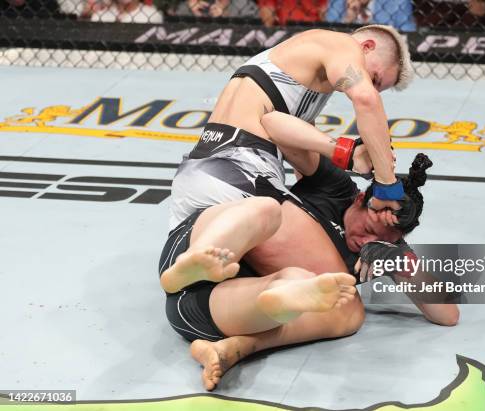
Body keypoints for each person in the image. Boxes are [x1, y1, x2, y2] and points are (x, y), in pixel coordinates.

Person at [160, 117, 458, 390]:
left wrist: (397, 260)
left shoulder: (386, 251)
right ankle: (187, 267)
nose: (367, 240)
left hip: (206, 312)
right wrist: (345, 152)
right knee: (263, 208)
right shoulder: (337, 188)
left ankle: (235, 346)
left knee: (333, 302)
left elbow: (447, 313)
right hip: (208, 244)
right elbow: (271, 123)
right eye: (368, 229)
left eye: (383, 238)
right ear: (359, 200)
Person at [167, 24, 414, 239]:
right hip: (243, 177)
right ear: (367, 47)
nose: (370, 86)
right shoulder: (341, 45)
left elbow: (306, 168)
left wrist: (352, 156)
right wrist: (386, 186)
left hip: (193, 177)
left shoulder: (301, 73)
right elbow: (367, 101)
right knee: (332, 265)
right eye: (375, 79)